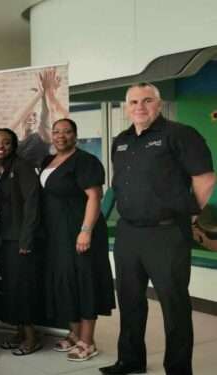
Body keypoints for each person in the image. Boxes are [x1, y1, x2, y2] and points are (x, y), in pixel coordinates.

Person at [100, 83, 215, 375]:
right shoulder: (121, 141)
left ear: (158, 104)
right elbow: (120, 184)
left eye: (147, 100)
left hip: (166, 233)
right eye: (134, 102)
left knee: (173, 303)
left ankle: (178, 369)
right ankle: (130, 360)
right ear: (126, 108)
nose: (140, 106)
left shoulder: (180, 134)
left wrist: (189, 215)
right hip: (128, 233)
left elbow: (204, 178)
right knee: (129, 299)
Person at [40, 118, 115, 362]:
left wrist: (85, 231)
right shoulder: (48, 161)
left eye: (67, 131)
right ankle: (74, 334)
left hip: (80, 232)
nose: (61, 135)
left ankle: (88, 341)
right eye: (56, 131)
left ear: (75, 135)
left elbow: (94, 197)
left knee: (84, 282)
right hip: (57, 235)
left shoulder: (85, 161)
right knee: (65, 282)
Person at [0, 128, 42, 356]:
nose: (1, 146)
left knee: (22, 289)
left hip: (19, 239)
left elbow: (33, 203)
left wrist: (26, 239)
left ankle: (31, 337)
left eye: (6, 142)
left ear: (14, 145)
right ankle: (19, 332)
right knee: (10, 288)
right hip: (0, 239)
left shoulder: (22, 167)